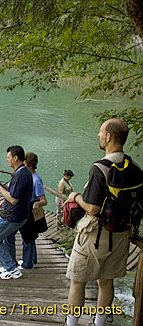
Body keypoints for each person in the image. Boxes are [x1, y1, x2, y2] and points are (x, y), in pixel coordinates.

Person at [64, 119, 142, 326]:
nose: (99, 135)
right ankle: (99, 323)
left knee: (77, 281)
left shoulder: (100, 168)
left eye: (101, 132)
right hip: (121, 235)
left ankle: (71, 322)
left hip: (94, 236)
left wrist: (75, 197)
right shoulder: (135, 168)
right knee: (106, 282)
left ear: (108, 137)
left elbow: (92, 208)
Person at [0, 145, 33, 280]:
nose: (7, 160)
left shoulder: (20, 175)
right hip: (20, 214)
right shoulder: (23, 172)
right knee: (9, 239)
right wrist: (5, 199)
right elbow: (16, 195)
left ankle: (12, 269)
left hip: (12, 216)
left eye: (8, 157)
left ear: (15, 158)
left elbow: (13, 199)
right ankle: (11, 263)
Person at [18, 152, 47, 270]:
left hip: (30, 212)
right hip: (27, 210)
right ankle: (32, 260)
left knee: (27, 238)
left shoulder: (36, 180)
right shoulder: (29, 177)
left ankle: (27, 264)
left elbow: (44, 200)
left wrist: (37, 203)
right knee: (30, 237)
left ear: (28, 164)